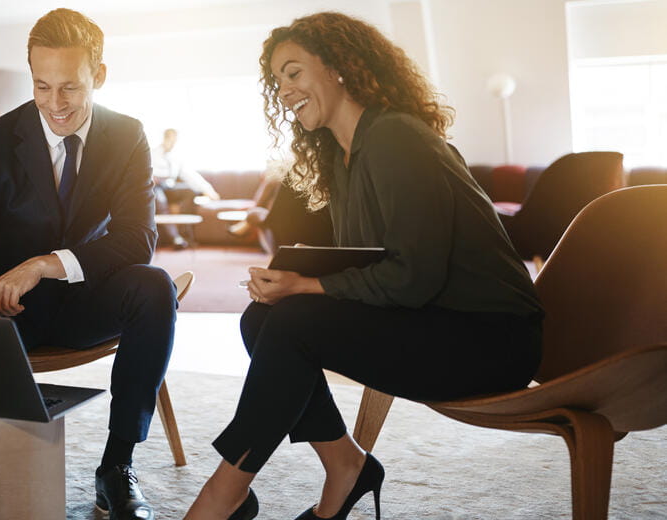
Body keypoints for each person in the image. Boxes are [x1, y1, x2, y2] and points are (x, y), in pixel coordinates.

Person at [185, 12, 543, 520]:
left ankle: (223, 495)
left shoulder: (397, 137)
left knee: (290, 321)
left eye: (293, 72)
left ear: (339, 66)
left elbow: (412, 277)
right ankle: (346, 465)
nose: (283, 91)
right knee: (262, 318)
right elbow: (371, 264)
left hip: (491, 339)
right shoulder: (343, 157)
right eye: (277, 81)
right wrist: (295, 280)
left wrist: (305, 284)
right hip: (434, 319)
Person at [0, 9, 176, 520]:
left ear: (99, 76)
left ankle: (117, 466)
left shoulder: (127, 135)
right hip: (8, 310)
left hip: (86, 298)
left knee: (155, 287)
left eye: (70, 87)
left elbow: (137, 240)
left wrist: (46, 264)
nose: (55, 103)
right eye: (42, 86)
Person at [152, 128, 221, 249]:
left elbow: (191, 176)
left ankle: (185, 234)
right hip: (155, 187)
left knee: (190, 192)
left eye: (175, 141)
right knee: (160, 200)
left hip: (169, 187)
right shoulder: (152, 153)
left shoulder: (176, 157)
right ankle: (175, 238)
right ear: (165, 138)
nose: (172, 143)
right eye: (170, 140)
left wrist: (208, 190)